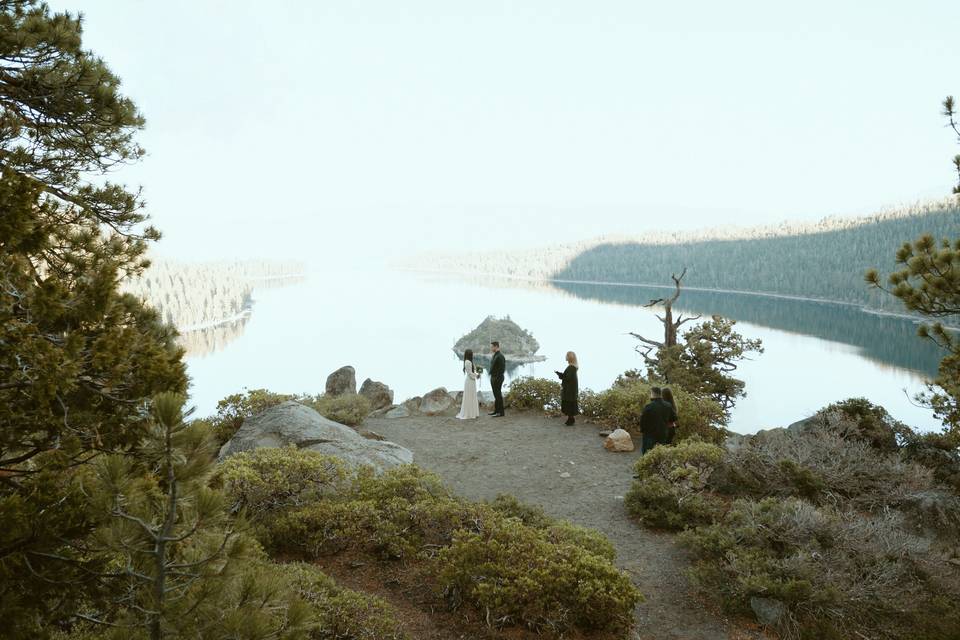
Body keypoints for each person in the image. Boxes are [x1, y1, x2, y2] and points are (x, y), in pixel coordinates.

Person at [639, 387, 677, 453]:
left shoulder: (649, 406)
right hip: (663, 433)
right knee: (662, 451)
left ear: (652, 393)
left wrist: (643, 430)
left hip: (650, 434)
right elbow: (674, 418)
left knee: (647, 452)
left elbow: (643, 421)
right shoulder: (668, 405)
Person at [555, 351, 579, 425]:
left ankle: (571, 419)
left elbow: (567, 378)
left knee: (569, 403)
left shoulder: (571, 367)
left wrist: (561, 375)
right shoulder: (573, 366)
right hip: (571, 388)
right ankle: (570, 419)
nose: (566, 357)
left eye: (567, 356)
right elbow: (567, 377)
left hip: (570, 389)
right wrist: (560, 374)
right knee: (570, 403)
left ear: (569, 358)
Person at [456, 349, 481, 419]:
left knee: (472, 396)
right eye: (472, 354)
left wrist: (477, 372)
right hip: (469, 381)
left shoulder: (470, 362)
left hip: (472, 381)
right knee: (469, 397)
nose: (473, 355)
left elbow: (473, 371)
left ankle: (473, 412)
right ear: (470, 355)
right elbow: (470, 373)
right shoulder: (467, 362)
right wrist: (477, 376)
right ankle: (469, 413)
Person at [488, 341, 506, 417]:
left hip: (498, 378)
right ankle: (496, 411)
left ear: (496, 346)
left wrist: (496, 377)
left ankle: (501, 413)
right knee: (496, 395)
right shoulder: (495, 355)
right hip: (493, 377)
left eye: (492, 347)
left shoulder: (500, 356)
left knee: (498, 395)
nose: (491, 348)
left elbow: (502, 369)